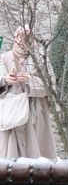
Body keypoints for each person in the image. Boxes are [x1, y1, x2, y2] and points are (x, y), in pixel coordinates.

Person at [0, 27, 59, 159]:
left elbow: (50, 86)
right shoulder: (3, 58)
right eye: (19, 36)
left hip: (35, 112)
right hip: (10, 114)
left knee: (37, 158)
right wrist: (5, 80)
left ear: (32, 41)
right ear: (15, 38)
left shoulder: (41, 60)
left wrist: (30, 80)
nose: (22, 40)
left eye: (26, 38)